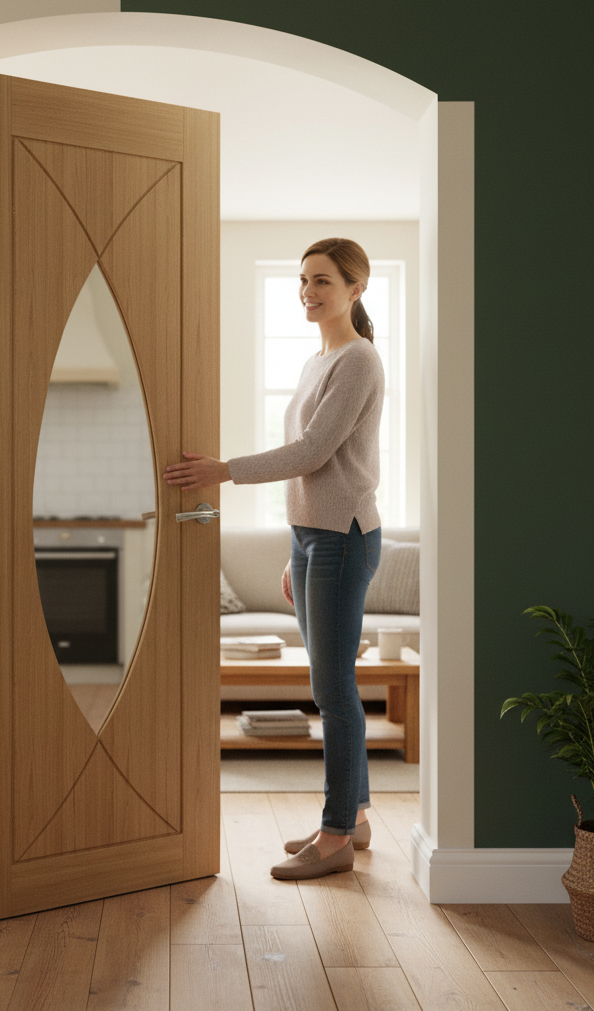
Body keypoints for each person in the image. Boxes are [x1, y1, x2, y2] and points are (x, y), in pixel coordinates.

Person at [163, 237, 384, 880]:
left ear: (355, 289)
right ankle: (358, 818)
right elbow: (308, 466)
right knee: (331, 683)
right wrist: (296, 547)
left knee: (331, 689)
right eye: (304, 281)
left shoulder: (359, 361)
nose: (309, 292)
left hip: (343, 536)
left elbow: (313, 452)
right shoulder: (320, 358)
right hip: (315, 537)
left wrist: (223, 472)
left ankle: (337, 834)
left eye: (322, 281)